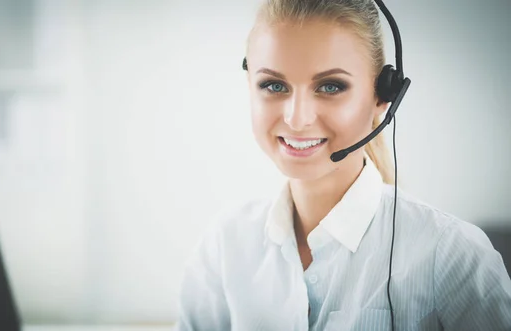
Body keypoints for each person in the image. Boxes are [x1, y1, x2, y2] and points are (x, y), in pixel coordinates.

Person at [175, 0, 511, 330]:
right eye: (274, 85)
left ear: (383, 96)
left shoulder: (451, 255)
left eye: (330, 86)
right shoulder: (226, 244)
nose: (297, 119)